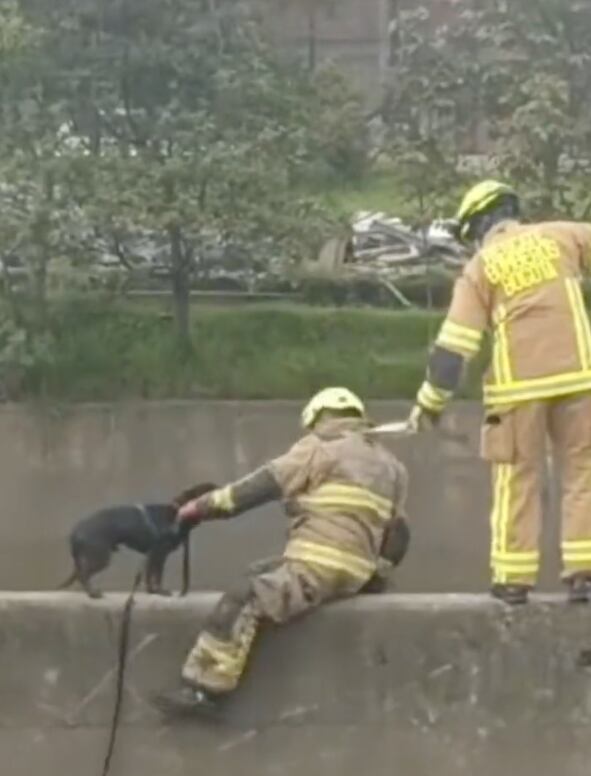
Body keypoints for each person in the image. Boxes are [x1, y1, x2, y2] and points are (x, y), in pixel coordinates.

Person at [155, 387, 410, 715]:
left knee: (243, 594)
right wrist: (376, 575)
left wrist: (200, 508)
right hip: (356, 571)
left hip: (314, 566)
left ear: (318, 417)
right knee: (259, 571)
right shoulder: (392, 466)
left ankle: (205, 689)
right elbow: (399, 534)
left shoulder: (318, 448)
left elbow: (256, 489)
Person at [409, 180, 591, 605]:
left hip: (517, 388)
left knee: (516, 477)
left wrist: (429, 403)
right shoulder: (560, 236)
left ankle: (513, 580)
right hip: (581, 380)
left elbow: (455, 346)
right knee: (584, 473)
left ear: (480, 225)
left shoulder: (482, 267)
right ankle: (584, 575)